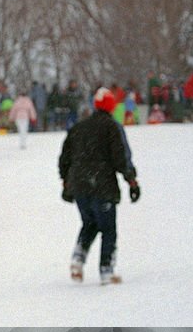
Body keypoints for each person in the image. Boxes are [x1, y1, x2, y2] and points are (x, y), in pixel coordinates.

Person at [59, 87, 140, 285]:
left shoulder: (79, 127)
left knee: (90, 223)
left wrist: (66, 180)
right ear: (111, 106)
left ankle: (77, 260)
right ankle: (106, 270)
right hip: (102, 185)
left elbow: (65, 157)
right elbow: (121, 157)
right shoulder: (112, 127)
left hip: (79, 186)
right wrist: (131, 180)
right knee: (108, 228)